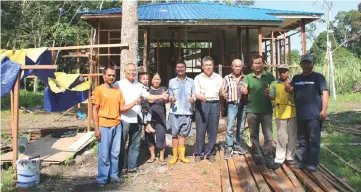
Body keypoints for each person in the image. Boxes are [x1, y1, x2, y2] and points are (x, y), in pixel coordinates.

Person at [116, 63, 168, 174]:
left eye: (134, 70)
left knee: (135, 144)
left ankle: (132, 166)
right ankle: (121, 167)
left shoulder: (139, 85)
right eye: (129, 70)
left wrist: (160, 96)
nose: (132, 72)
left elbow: (148, 96)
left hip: (137, 119)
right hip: (123, 118)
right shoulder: (118, 84)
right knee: (121, 144)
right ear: (125, 71)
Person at [92, 66, 139, 186]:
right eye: (109, 75)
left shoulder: (118, 90)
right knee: (104, 154)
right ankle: (102, 179)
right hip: (104, 125)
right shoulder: (99, 90)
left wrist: (135, 102)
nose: (111, 77)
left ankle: (114, 176)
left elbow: (122, 108)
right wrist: (96, 129)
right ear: (104, 76)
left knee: (115, 152)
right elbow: (94, 109)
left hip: (117, 124)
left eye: (113, 75)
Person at [286, 53, 328, 172]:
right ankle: (303, 160)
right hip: (300, 115)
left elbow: (324, 93)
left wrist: (324, 110)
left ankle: (313, 162)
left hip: (314, 115)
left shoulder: (318, 77)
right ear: (301, 64)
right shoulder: (296, 78)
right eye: (304, 63)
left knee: (314, 139)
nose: (306, 65)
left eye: (308, 63)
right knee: (302, 139)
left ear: (313, 64)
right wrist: (287, 89)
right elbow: (290, 90)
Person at [242, 55, 275, 169]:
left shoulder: (270, 77)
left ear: (263, 64)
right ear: (252, 65)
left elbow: (274, 94)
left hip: (266, 110)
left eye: (259, 63)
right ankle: (257, 154)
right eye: (255, 63)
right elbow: (244, 89)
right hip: (252, 110)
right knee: (254, 134)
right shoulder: (247, 77)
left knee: (268, 135)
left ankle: (268, 156)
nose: (257, 65)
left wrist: (270, 94)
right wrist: (244, 90)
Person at [266, 64, 297, 170]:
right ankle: (279, 159)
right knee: (281, 136)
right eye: (280, 72)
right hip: (280, 112)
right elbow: (272, 96)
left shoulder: (294, 82)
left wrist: (292, 90)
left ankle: (290, 157)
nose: (282, 73)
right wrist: (268, 94)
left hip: (293, 111)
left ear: (288, 72)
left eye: (284, 71)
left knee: (292, 136)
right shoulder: (274, 83)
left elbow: (297, 95)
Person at [194, 56, 223, 162]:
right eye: (206, 65)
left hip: (215, 104)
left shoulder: (219, 78)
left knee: (213, 130)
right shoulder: (198, 78)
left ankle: (210, 152)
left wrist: (223, 95)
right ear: (202, 66)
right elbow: (196, 93)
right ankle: (199, 153)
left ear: (213, 66)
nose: (208, 67)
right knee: (200, 130)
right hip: (202, 104)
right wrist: (201, 97)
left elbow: (221, 93)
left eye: (210, 65)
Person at [168, 60, 195, 165]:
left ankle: (182, 156)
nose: (180, 69)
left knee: (183, 134)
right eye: (178, 67)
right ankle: (175, 156)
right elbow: (170, 94)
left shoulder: (191, 81)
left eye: (182, 67)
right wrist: (171, 98)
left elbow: (194, 94)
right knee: (174, 135)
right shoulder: (171, 81)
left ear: (185, 68)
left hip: (187, 111)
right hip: (175, 112)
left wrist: (193, 99)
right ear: (176, 69)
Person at [222, 59, 248, 159]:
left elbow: (249, 91)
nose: (237, 68)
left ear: (242, 67)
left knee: (240, 127)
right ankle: (229, 147)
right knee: (230, 127)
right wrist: (223, 94)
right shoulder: (227, 78)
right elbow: (223, 91)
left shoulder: (246, 78)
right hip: (232, 105)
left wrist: (246, 92)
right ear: (232, 67)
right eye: (235, 66)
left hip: (243, 104)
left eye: (239, 66)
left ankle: (237, 145)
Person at [145, 73, 168, 164]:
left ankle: (161, 156)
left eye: (158, 79)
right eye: (154, 79)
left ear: (160, 80)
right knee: (149, 136)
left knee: (161, 136)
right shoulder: (147, 90)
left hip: (160, 116)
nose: (156, 81)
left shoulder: (164, 89)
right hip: (148, 118)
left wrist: (166, 98)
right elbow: (144, 99)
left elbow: (166, 100)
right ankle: (152, 155)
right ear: (151, 80)